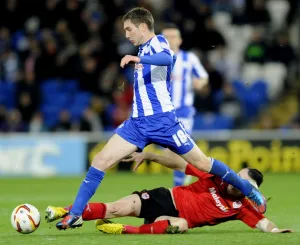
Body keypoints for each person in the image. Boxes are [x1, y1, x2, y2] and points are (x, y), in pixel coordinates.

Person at [56, 7, 266, 230]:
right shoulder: (145, 50)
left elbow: (168, 58)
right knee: (100, 160)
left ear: (143, 26)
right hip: (137, 124)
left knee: (202, 163)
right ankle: (76, 214)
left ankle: (246, 188)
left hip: (163, 122)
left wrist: (139, 57)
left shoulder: (157, 43)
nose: (126, 35)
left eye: (129, 29)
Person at [46, 152, 291, 234]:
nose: (233, 179)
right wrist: (150, 155)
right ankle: (64, 211)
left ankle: (123, 231)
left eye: (241, 180)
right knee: (116, 208)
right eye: (236, 174)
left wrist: (277, 231)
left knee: (181, 225)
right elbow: (178, 164)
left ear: (250, 189)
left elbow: (263, 223)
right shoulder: (214, 175)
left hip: (173, 220)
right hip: (164, 198)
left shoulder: (242, 208)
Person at [161, 23, 208, 187]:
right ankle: (190, 170)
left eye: (173, 36)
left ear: (180, 40)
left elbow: (203, 77)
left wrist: (199, 83)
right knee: (168, 151)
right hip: (160, 112)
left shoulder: (189, 58)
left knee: (177, 147)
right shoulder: (154, 59)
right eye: (166, 37)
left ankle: (179, 186)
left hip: (183, 111)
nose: (170, 40)